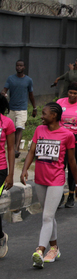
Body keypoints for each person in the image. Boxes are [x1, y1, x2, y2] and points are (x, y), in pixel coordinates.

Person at [20, 102, 77, 268]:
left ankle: (40, 250)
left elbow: (71, 161)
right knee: (49, 215)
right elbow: (31, 152)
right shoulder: (39, 130)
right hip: (40, 179)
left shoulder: (67, 135)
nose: (41, 116)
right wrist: (25, 169)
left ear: (54, 115)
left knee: (47, 216)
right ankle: (54, 248)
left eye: (44, 113)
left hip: (56, 180)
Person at [1, 60, 37, 158]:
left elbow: (31, 95)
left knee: (19, 128)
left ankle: (16, 149)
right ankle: (11, 147)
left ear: (24, 67)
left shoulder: (28, 80)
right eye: (17, 65)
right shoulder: (10, 78)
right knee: (11, 130)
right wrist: (3, 93)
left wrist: (34, 107)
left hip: (22, 108)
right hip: (11, 108)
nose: (19, 67)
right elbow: (5, 89)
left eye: (21, 65)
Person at [0, 95, 15, 258]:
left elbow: (11, 149)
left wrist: (11, 174)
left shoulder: (6, 123)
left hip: (0, 169)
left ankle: (0, 238)